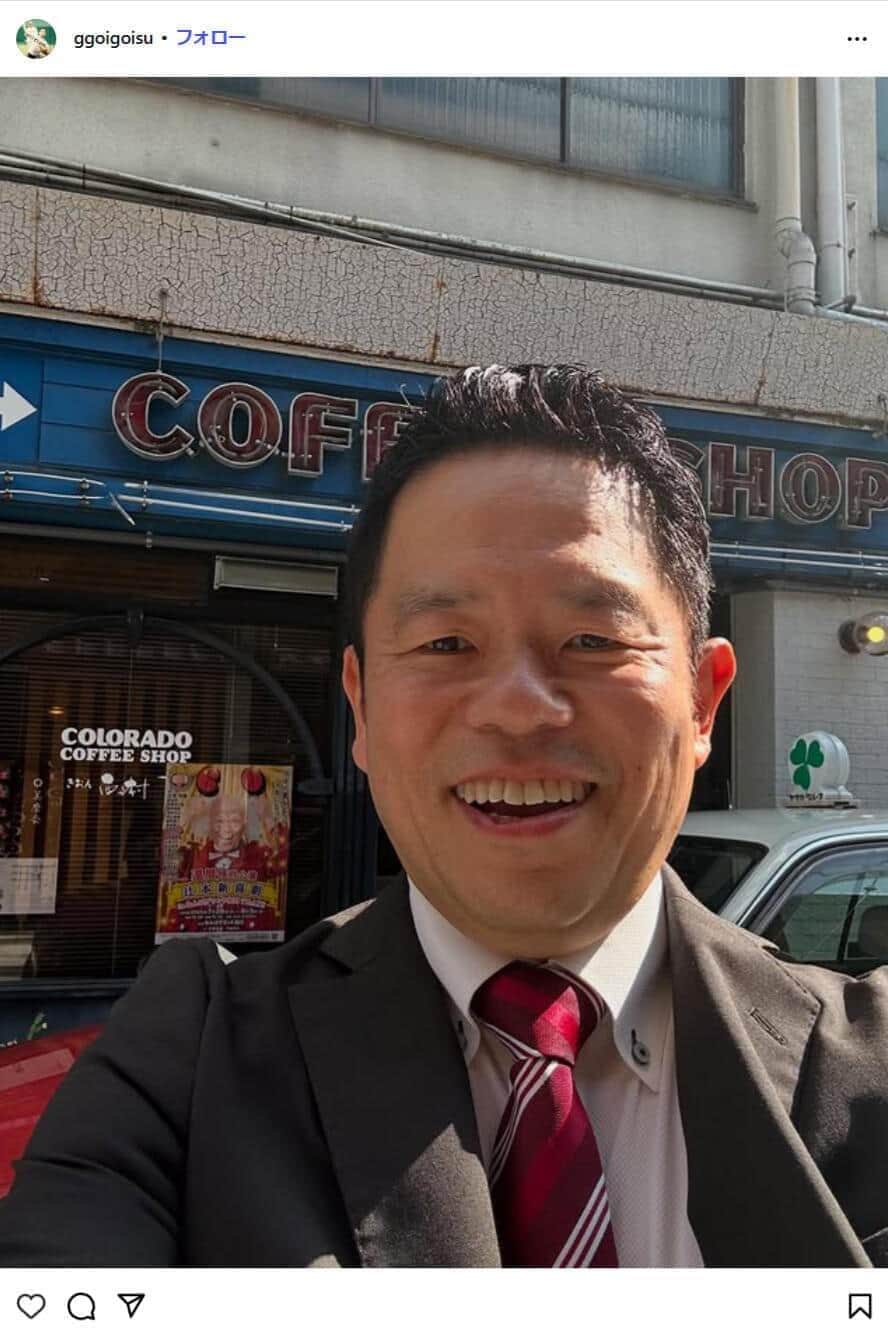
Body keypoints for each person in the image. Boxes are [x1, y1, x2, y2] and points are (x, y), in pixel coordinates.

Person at [0, 363, 886, 1268]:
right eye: (446, 642)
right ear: (361, 705)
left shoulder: (868, 1065)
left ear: (702, 701)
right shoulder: (188, 1062)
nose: (517, 707)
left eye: (592, 640)